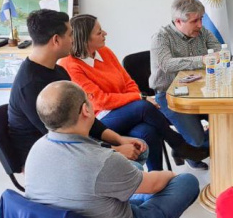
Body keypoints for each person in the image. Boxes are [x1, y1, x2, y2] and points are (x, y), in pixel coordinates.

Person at [24, 81, 214, 218]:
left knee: (139, 196)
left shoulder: (35, 151)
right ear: (86, 110)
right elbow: (153, 184)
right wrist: (170, 175)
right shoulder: (100, 161)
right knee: (186, 182)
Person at [60, 14, 208, 171]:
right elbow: (101, 101)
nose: (105, 33)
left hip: (128, 111)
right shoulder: (70, 65)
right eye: (99, 32)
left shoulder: (105, 52)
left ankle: (157, 176)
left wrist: (135, 99)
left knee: (147, 131)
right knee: (143, 107)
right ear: (85, 40)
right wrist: (138, 98)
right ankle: (179, 145)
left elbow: (128, 82)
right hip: (100, 119)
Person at [8, 9, 145, 165]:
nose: (74, 40)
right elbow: (63, 138)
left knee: (140, 149)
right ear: (56, 40)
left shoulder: (59, 71)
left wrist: (119, 139)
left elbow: (84, 117)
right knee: (133, 166)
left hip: (70, 145)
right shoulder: (30, 86)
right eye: (70, 35)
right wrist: (114, 150)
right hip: (47, 160)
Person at [150, 0, 221, 169]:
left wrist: (216, 57)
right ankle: (185, 149)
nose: (200, 25)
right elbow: (167, 64)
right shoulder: (161, 37)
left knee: (228, 121)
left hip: (201, 90)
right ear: (178, 21)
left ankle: (186, 148)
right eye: (194, 21)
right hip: (169, 95)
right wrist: (202, 60)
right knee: (197, 141)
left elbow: (219, 52)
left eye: (201, 19)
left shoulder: (202, 32)